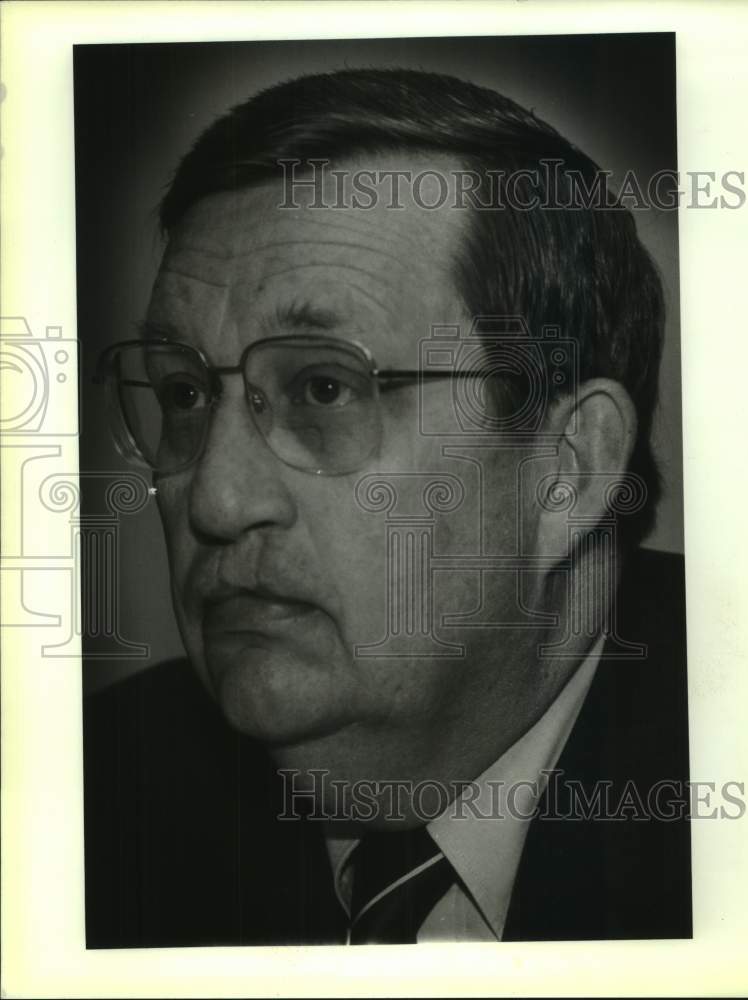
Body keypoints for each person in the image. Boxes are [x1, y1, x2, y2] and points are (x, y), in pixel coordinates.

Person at [84, 68, 691, 946]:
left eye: (324, 387)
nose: (216, 501)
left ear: (569, 468)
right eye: (183, 394)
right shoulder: (92, 790)